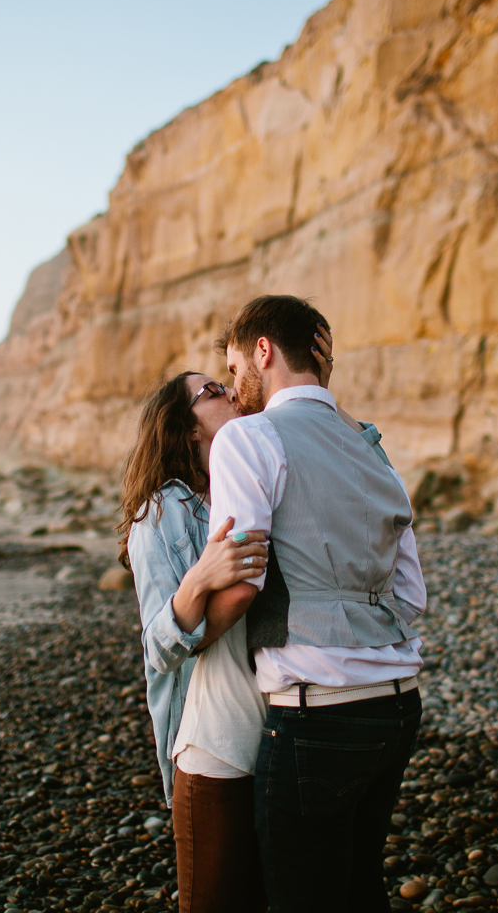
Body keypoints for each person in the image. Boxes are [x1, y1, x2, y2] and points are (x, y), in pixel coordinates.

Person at [119, 333, 391, 913]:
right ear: (188, 429)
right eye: (212, 391)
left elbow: (360, 464)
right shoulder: (165, 510)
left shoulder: (262, 472)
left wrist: (321, 388)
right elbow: (159, 647)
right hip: (216, 737)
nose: (229, 392)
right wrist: (200, 579)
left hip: (284, 730)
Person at [205, 295, 426, 913]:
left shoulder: (248, 437)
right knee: (360, 886)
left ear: (263, 351)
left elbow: (243, 578)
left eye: (232, 367)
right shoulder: (370, 445)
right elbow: (411, 592)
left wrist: (185, 637)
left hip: (316, 710)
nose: (232, 386)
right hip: (398, 704)